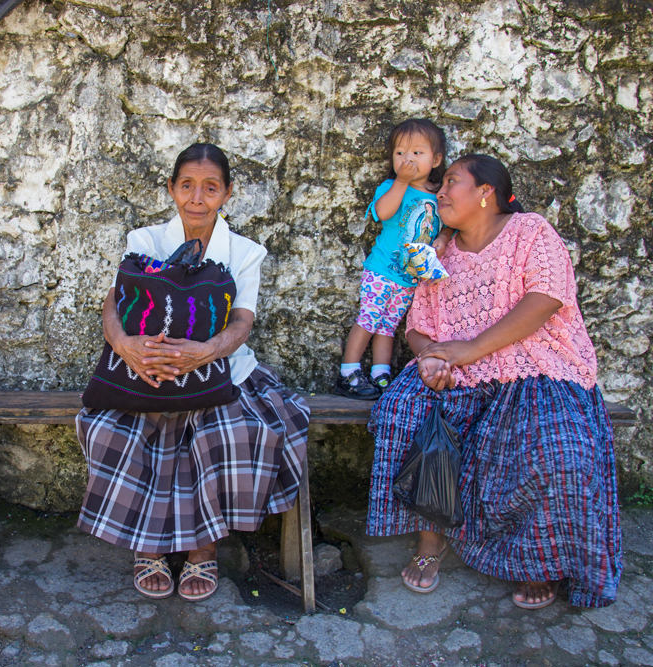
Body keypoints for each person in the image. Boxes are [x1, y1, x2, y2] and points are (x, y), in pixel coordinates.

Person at [366, 154, 621, 609]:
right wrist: (429, 357)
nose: (440, 192)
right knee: (406, 412)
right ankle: (431, 540)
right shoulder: (437, 251)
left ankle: (539, 561)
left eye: (451, 182)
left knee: (560, 449)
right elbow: (417, 323)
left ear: (485, 193)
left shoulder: (530, 232)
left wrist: (467, 350)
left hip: (537, 368)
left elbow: (546, 299)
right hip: (457, 370)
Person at [76, 143, 310, 601]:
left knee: (224, 434)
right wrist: (124, 345)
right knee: (116, 431)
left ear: (226, 194)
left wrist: (205, 352)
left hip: (220, 371)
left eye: (210, 188)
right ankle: (148, 545)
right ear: (172, 189)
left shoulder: (244, 253)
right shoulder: (145, 241)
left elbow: (242, 321)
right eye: (187, 186)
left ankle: (204, 549)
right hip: (144, 370)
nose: (197, 198)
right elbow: (114, 300)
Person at [334, 118, 448, 399]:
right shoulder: (390, 186)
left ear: (436, 159)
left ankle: (380, 374)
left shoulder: (439, 196)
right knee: (369, 319)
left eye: (416, 153)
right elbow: (383, 213)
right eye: (400, 153)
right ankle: (348, 372)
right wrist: (401, 181)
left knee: (389, 325)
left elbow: (450, 222)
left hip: (410, 277)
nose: (407, 159)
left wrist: (444, 238)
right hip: (382, 270)